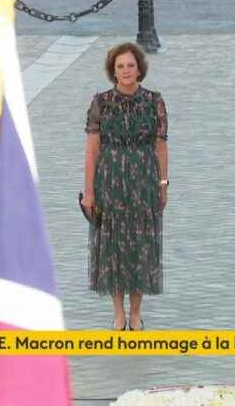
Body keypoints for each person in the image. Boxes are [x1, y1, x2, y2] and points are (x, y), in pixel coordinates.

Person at [82, 42, 169, 331]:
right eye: (120, 66)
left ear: (139, 68)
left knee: (142, 244)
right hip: (110, 180)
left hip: (144, 180)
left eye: (130, 65)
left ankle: (136, 312)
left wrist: (163, 183)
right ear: (113, 71)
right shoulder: (100, 102)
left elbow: (161, 147)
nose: (126, 71)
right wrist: (90, 191)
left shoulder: (154, 101)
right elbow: (92, 150)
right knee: (114, 246)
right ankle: (118, 312)